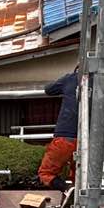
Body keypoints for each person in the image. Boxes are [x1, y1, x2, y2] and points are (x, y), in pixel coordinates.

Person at [37, 68, 79, 200]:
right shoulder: (103, 83)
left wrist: (68, 78)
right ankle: (73, 197)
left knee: (46, 172)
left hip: (65, 137)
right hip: (90, 139)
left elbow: (49, 89)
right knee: (78, 175)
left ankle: (67, 189)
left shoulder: (71, 79)